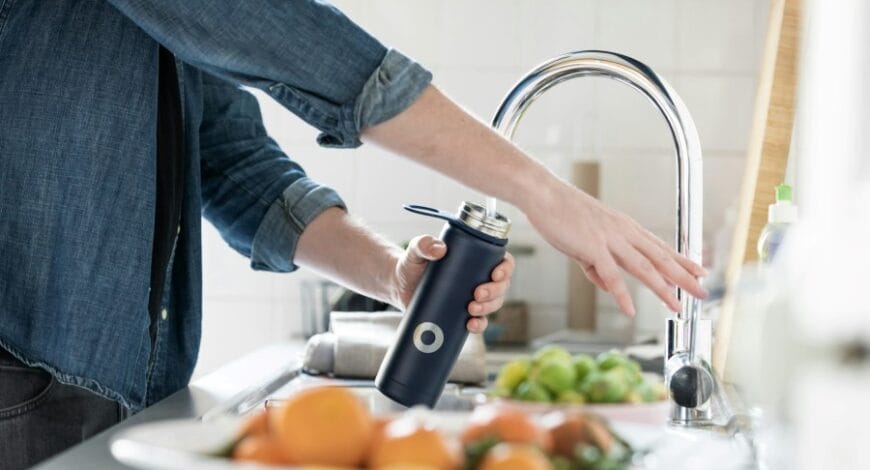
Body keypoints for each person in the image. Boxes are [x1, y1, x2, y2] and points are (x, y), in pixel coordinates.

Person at [0, 1, 706, 468]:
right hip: (19, 374)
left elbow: (231, 161)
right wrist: (542, 192)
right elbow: (291, 41)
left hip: (103, 386)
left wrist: (392, 273)